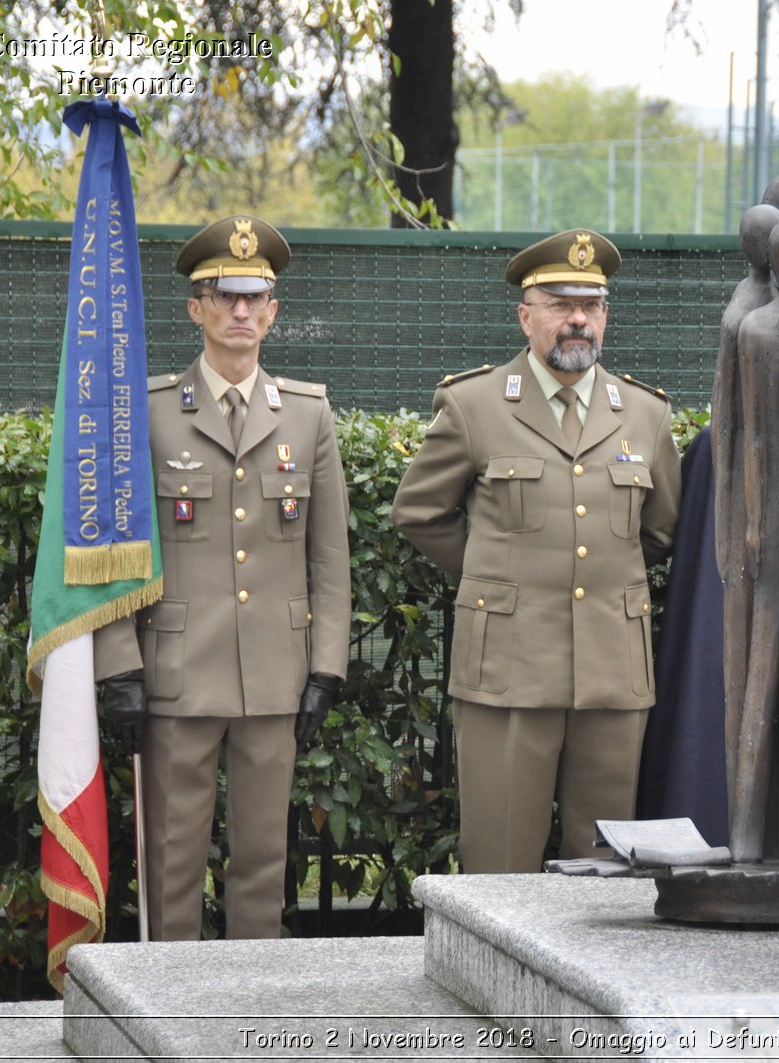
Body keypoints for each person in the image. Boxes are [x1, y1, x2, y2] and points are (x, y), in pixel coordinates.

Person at [391, 228, 682, 873]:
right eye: (558, 303)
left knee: (605, 873)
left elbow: (661, 532)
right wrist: (498, 578)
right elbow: (418, 512)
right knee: (500, 864)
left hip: (612, 674)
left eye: (591, 304)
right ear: (526, 316)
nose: (577, 318)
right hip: (508, 674)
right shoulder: (474, 405)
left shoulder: (645, 415)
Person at [94, 215, 351, 940]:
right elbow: (119, 548)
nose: (241, 311)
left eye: (255, 297)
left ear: (273, 310)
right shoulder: (147, 413)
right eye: (223, 295)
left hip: (276, 674)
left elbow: (329, 558)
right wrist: (120, 664)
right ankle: (170, 1016)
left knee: (266, 860)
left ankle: (246, 1012)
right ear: (196, 308)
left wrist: (326, 665)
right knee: (172, 861)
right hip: (176, 674)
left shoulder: (307, 413)